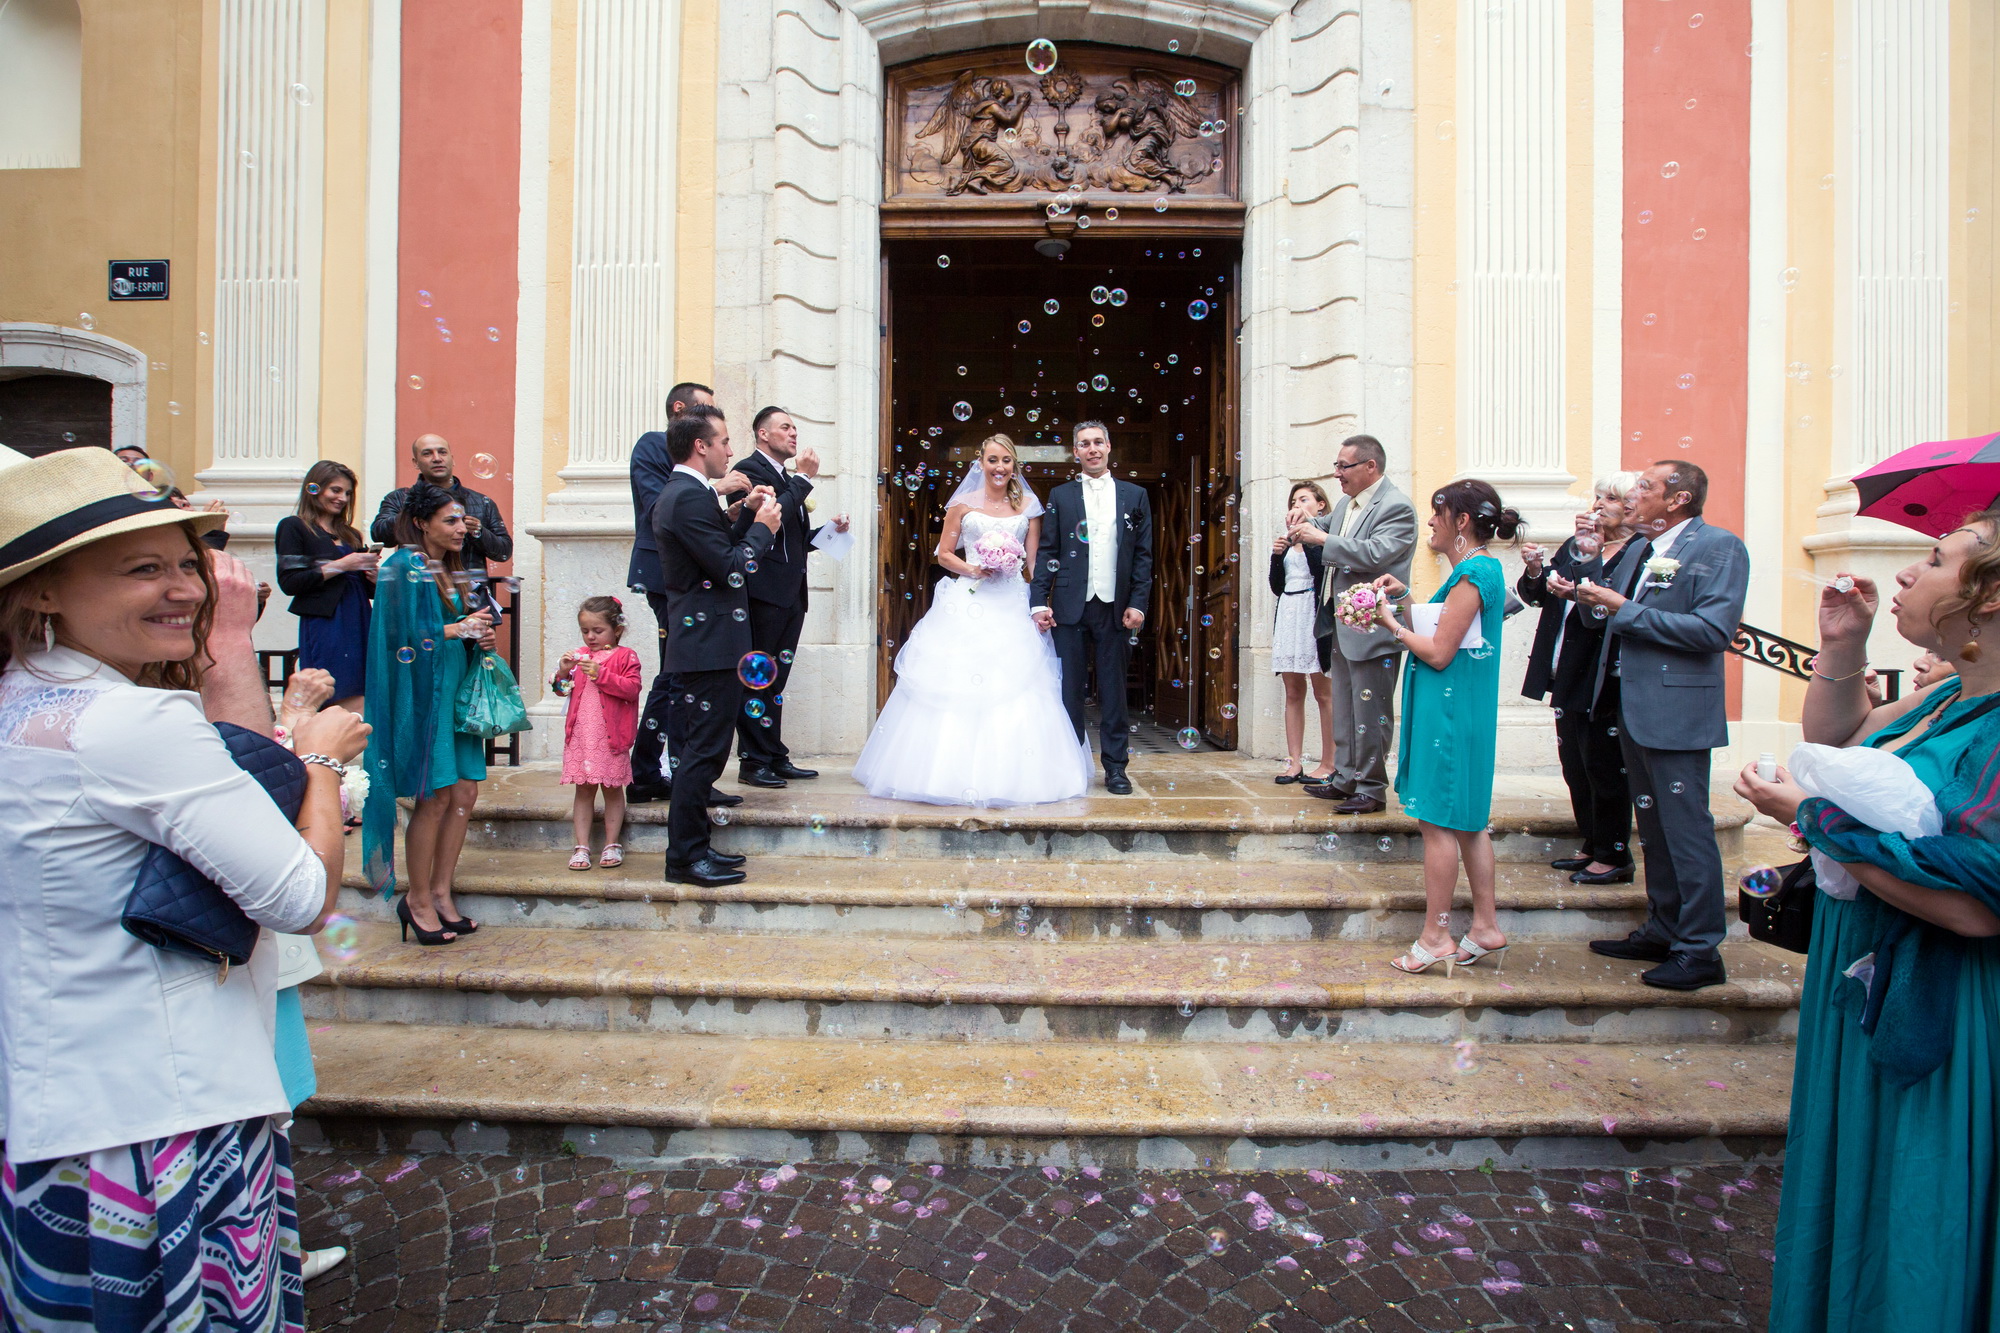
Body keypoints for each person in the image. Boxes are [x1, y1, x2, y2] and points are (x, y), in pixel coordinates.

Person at [0, 445, 371, 1332]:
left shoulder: (23, 698)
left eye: (185, 564)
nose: (183, 588)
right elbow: (298, 897)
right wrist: (318, 757)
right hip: (163, 1118)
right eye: (142, 568)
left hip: (60, 1103)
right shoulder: (135, 722)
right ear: (44, 589)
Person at [1731, 508, 2000, 1331]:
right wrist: (1842, 647)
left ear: (1988, 600)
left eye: (1939, 559)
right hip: (1867, 974)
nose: (1911, 573)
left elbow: (1977, 906)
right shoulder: (1948, 694)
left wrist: (1816, 820)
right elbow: (1839, 734)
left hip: (1945, 1007)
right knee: (1864, 1179)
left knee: (1917, 1192)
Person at [1575, 460, 1750, 991]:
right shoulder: (1644, 549)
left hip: (1677, 712)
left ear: (1678, 499)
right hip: (1632, 706)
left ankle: (1700, 950)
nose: (1633, 496)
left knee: (1686, 830)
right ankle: (1664, 927)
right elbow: (1610, 617)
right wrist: (1587, 587)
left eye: (1645, 487)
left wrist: (1621, 608)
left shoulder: (1718, 546)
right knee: (1652, 828)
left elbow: (1712, 630)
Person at [861, 434, 1093, 807]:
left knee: (1020, 684)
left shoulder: (1030, 506)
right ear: (980, 463)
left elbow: (1033, 565)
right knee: (960, 681)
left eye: (1006, 461)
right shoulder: (963, 505)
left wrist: (1041, 605)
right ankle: (946, 776)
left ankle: (1020, 777)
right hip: (970, 601)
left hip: (1013, 602)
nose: (999, 468)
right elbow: (943, 555)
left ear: (1015, 465)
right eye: (992, 460)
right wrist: (973, 568)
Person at [1368, 479, 1519, 974]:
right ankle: (1486, 927)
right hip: (1461, 710)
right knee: (1470, 825)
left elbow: (1437, 651)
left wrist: (1389, 623)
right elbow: (1445, 623)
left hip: (1450, 718)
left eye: (1438, 513)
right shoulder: (1478, 571)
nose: (1430, 521)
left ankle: (1436, 936)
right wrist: (1406, 595)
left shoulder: (1474, 572)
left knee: (1437, 826)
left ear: (1461, 521)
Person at [361, 479, 497, 945]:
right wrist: (456, 628)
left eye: (462, 519)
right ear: (421, 523)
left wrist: (478, 637)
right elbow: (400, 639)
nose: (463, 528)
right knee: (435, 796)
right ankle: (416, 899)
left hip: (455, 687)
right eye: (451, 520)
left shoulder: (449, 565)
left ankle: (441, 894)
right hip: (425, 695)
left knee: (464, 794)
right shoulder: (402, 564)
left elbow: (448, 630)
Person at [653, 409, 781, 887]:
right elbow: (730, 567)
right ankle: (684, 859)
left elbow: (710, 552)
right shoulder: (685, 496)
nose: (732, 451)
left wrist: (743, 513)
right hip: (707, 646)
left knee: (706, 752)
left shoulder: (691, 494)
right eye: (724, 442)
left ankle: (697, 846)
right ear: (700, 447)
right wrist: (764, 528)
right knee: (702, 755)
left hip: (710, 642)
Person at [1292, 434, 1419, 813]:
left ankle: (1372, 788)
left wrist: (1322, 537)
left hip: (1375, 625)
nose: (1337, 474)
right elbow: (1326, 524)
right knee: (1347, 706)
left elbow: (1375, 552)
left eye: (1343, 466)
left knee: (1372, 712)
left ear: (1370, 467)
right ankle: (1345, 778)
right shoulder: (1349, 502)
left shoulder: (1396, 507)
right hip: (1345, 621)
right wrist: (1305, 520)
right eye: (1336, 466)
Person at [1526, 473, 1641, 883]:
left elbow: (1599, 610)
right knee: (1575, 764)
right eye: (1596, 496)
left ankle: (1614, 855)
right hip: (1567, 668)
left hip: (1601, 673)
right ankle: (1592, 842)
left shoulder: (1638, 552)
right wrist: (1538, 570)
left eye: (1610, 497)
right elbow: (1538, 595)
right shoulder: (1579, 544)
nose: (1597, 504)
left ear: (1631, 507)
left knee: (1603, 765)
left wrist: (1588, 560)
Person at [1030, 421, 1155, 795]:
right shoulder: (1061, 495)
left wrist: (1139, 603)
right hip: (1069, 606)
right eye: (1084, 444)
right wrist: (1039, 601)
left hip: (1115, 607)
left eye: (1098, 442)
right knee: (1070, 690)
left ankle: (1116, 768)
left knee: (1114, 691)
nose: (1092, 449)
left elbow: (1143, 556)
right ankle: (1070, 767)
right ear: (1075, 452)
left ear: (1109, 446)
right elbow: (1048, 550)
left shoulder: (1135, 495)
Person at [727, 406, 849, 787]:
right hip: (763, 593)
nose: (793, 434)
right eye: (785, 427)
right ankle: (753, 762)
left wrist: (826, 532)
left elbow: (787, 539)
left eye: (796, 427)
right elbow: (770, 514)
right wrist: (804, 478)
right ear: (763, 434)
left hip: (790, 594)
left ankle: (773, 754)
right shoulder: (750, 471)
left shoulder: (783, 477)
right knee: (757, 679)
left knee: (775, 681)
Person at [628, 382, 732, 801]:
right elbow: (661, 509)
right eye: (706, 410)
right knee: (677, 677)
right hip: (665, 576)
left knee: (678, 677)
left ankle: (676, 774)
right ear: (680, 410)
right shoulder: (654, 446)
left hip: (690, 575)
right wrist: (720, 489)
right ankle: (662, 773)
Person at [276, 460, 378, 712]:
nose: (342, 498)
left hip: (359, 617)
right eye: (335, 490)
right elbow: (290, 582)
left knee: (363, 685)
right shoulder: (294, 526)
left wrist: (374, 579)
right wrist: (343, 564)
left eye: (347, 493)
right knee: (331, 687)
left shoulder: (350, 534)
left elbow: (364, 590)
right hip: (326, 622)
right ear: (315, 488)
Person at [556, 595, 641, 870]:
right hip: (581, 737)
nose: (590, 636)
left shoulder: (626, 656)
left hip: (610, 739)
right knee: (583, 789)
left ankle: (612, 843)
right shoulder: (580, 656)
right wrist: (562, 673)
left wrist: (601, 673)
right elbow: (561, 691)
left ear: (617, 629)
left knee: (613, 788)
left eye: (597, 630)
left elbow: (631, 689)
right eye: (585, 631)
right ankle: (581, 846)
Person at [1268, 480, 1337, 784]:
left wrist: (1307, 538)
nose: (1297, 506)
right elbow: (1276, 587)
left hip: (1313, 614)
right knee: (1293, 692)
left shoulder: (1324, 538)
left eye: (1304, 500)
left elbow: (1323, 575)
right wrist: (1276, 555)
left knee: (1324, 694)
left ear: (1320, 505)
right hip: (1289, 614)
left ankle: (1329, 763)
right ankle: (1294, 762)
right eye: (1294, 501)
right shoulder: (1287, 540)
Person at [368, 433, 513, 574]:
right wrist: (414, 507)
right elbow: (380, 535)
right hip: (420, 586)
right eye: (427, 454)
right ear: (415, 463)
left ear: (452, 459)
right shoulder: (399, 498)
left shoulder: (482, 502)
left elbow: (504, 552)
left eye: (442, 452)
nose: (437, 458)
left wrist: (479, 532)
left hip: (467, 590)